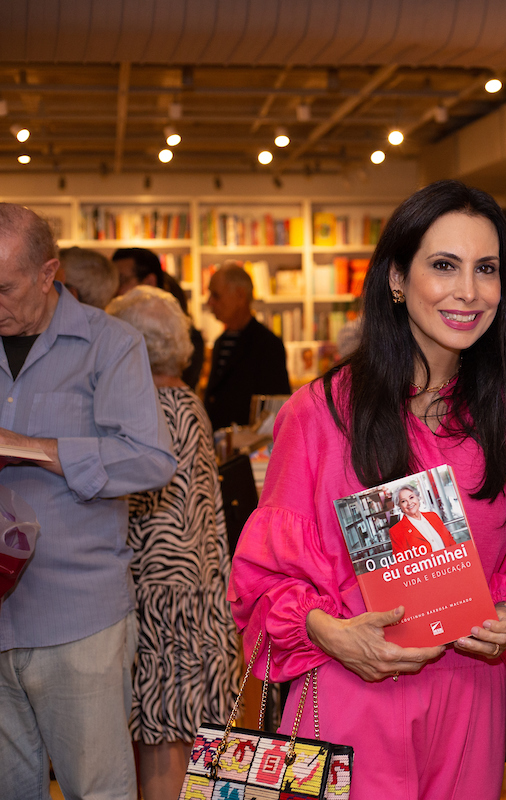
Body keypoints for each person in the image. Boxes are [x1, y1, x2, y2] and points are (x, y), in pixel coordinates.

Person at [228, 180, 506, 800]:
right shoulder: (321, 414)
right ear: (396, 279)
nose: (468, 291)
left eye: (486, 269)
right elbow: (262, 578)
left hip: (467, 697)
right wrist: (326, 630)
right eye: (443, 266)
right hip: (347, 693)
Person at [0, 203, 176, 800]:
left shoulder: (110, 344)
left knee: (95, 791)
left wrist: (26, 448)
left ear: (48, 273)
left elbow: (149, 460)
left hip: (78, 618)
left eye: (3, 287)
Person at [106, 286, 241, 800]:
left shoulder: (152, 408)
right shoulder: (187, 401)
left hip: (165, 602)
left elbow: (145, 509)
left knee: (164, 745)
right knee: (201, 744)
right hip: (200, 596)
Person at [203, 263, 291, 429]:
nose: (210, 302)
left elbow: (275, 406)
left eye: (216, 295)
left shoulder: (267, 344)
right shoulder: (220, 342)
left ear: (240, 296)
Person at [112, 247, 205, 389]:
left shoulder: (183, 333)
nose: (115, 290)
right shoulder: (114, 326)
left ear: (149, 282)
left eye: (122, 280)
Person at [389, 484, 456, 553]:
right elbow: (402, 561)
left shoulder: (433, 516)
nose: (409, 503)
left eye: (411, 497)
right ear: (399, 505)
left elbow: (449, 540)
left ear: (417, 498)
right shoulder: (396, 531)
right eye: (403, 501)